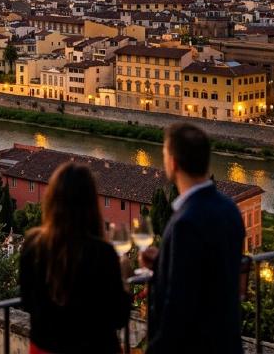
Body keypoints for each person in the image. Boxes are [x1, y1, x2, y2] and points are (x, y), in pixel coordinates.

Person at [142, 122, 245, 354]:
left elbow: (178, 307)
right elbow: (208, 271)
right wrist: (163, 262)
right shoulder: (230, 209)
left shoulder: (185, 223)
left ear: (173, 163)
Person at [19, 163, 131, 354]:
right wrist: (126, 280)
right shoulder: (103, 253)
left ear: (52, 200)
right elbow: (118, 317)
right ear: (91, 205)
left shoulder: (32, 245)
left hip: (45, 348)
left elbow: (27, 303)